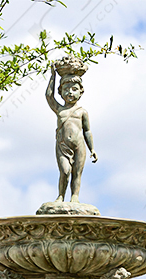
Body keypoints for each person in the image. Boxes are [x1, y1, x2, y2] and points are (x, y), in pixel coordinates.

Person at [46, 63, 97, 204]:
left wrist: (92, 148)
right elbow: (49, 96)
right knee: (65, 171)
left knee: (77, 173)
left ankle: (75, 196)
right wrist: (52, 76)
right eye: (66, 89)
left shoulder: (82, 112)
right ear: (61, 91)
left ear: (81, 92)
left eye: (74, 89)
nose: (70, 93)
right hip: (63, 146)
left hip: (79, 146)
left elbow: (87, 131)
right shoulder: (60, 110)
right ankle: (61, 196)